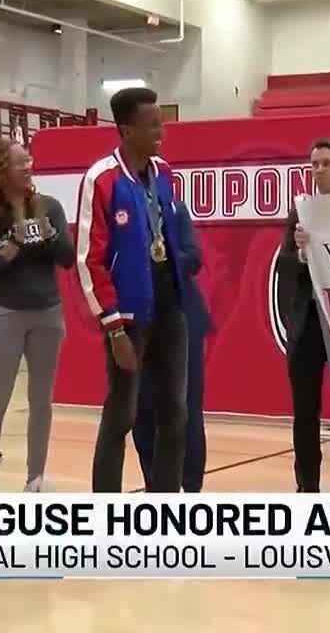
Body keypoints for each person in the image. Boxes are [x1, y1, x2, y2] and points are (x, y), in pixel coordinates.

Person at [76, 86, 191, 494]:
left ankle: (165, 504)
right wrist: (114, 328)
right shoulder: (102, 179)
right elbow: (88, 259)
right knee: (121, 416)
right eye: (153, 124)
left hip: (169, 306)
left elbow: (169, 236)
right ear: (125, 130)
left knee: (176, 415)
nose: (162, 131)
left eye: (162, 122)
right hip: (128, 316)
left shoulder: (164, 173)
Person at [0, 139, 75, 493]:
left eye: (29, 160)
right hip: (4, 313)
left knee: (41, 400)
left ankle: (35, 477)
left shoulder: (50, 207)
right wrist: (14, 244)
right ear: (1, 171)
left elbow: (68, 257)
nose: (28, 167)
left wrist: (50, 233)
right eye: (19, 162)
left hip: (47, 312)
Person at [281, 138, 330, 493]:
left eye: (326, 163)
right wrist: (299, 253)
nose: (318, 170)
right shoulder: (300, 212)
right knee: (304, 413)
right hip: (307, 323)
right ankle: (307, 486)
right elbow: (283, 263)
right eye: (313, 164)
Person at [132, 203, 212, 492]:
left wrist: (160, 258)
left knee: (185, 408)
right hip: (139, 321)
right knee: (141, 408)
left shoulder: (174, 208)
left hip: (182, 317)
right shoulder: (120, 211)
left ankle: (190, 488)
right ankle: (155, 484)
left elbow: (193, 257)